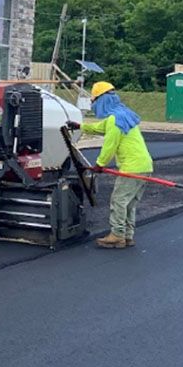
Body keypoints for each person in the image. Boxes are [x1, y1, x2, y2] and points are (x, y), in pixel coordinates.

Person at [75, 81, 153, 249]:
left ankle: (117, 235)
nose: (93, 105)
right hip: (145, 165)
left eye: (94, 101)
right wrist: (79, 126)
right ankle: (127, 235)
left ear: (101, 100)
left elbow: (110, 146)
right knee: (129, 204)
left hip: (132, 168)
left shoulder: (114, 120)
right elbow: (99, 127)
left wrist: (99, 164)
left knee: (118, 201)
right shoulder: (123, 114)